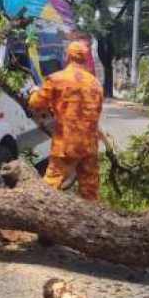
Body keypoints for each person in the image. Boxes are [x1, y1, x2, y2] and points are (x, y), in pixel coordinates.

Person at [29, 42, 104, 201]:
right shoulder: (96, 84)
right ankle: (92, 222)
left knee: (50, 186)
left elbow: (35, 103)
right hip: (90, 146)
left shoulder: (57, 79)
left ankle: (42, 218)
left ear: (67, 56)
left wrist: (35, 91)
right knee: (90, 190)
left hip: (66, 145)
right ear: (85, 59)